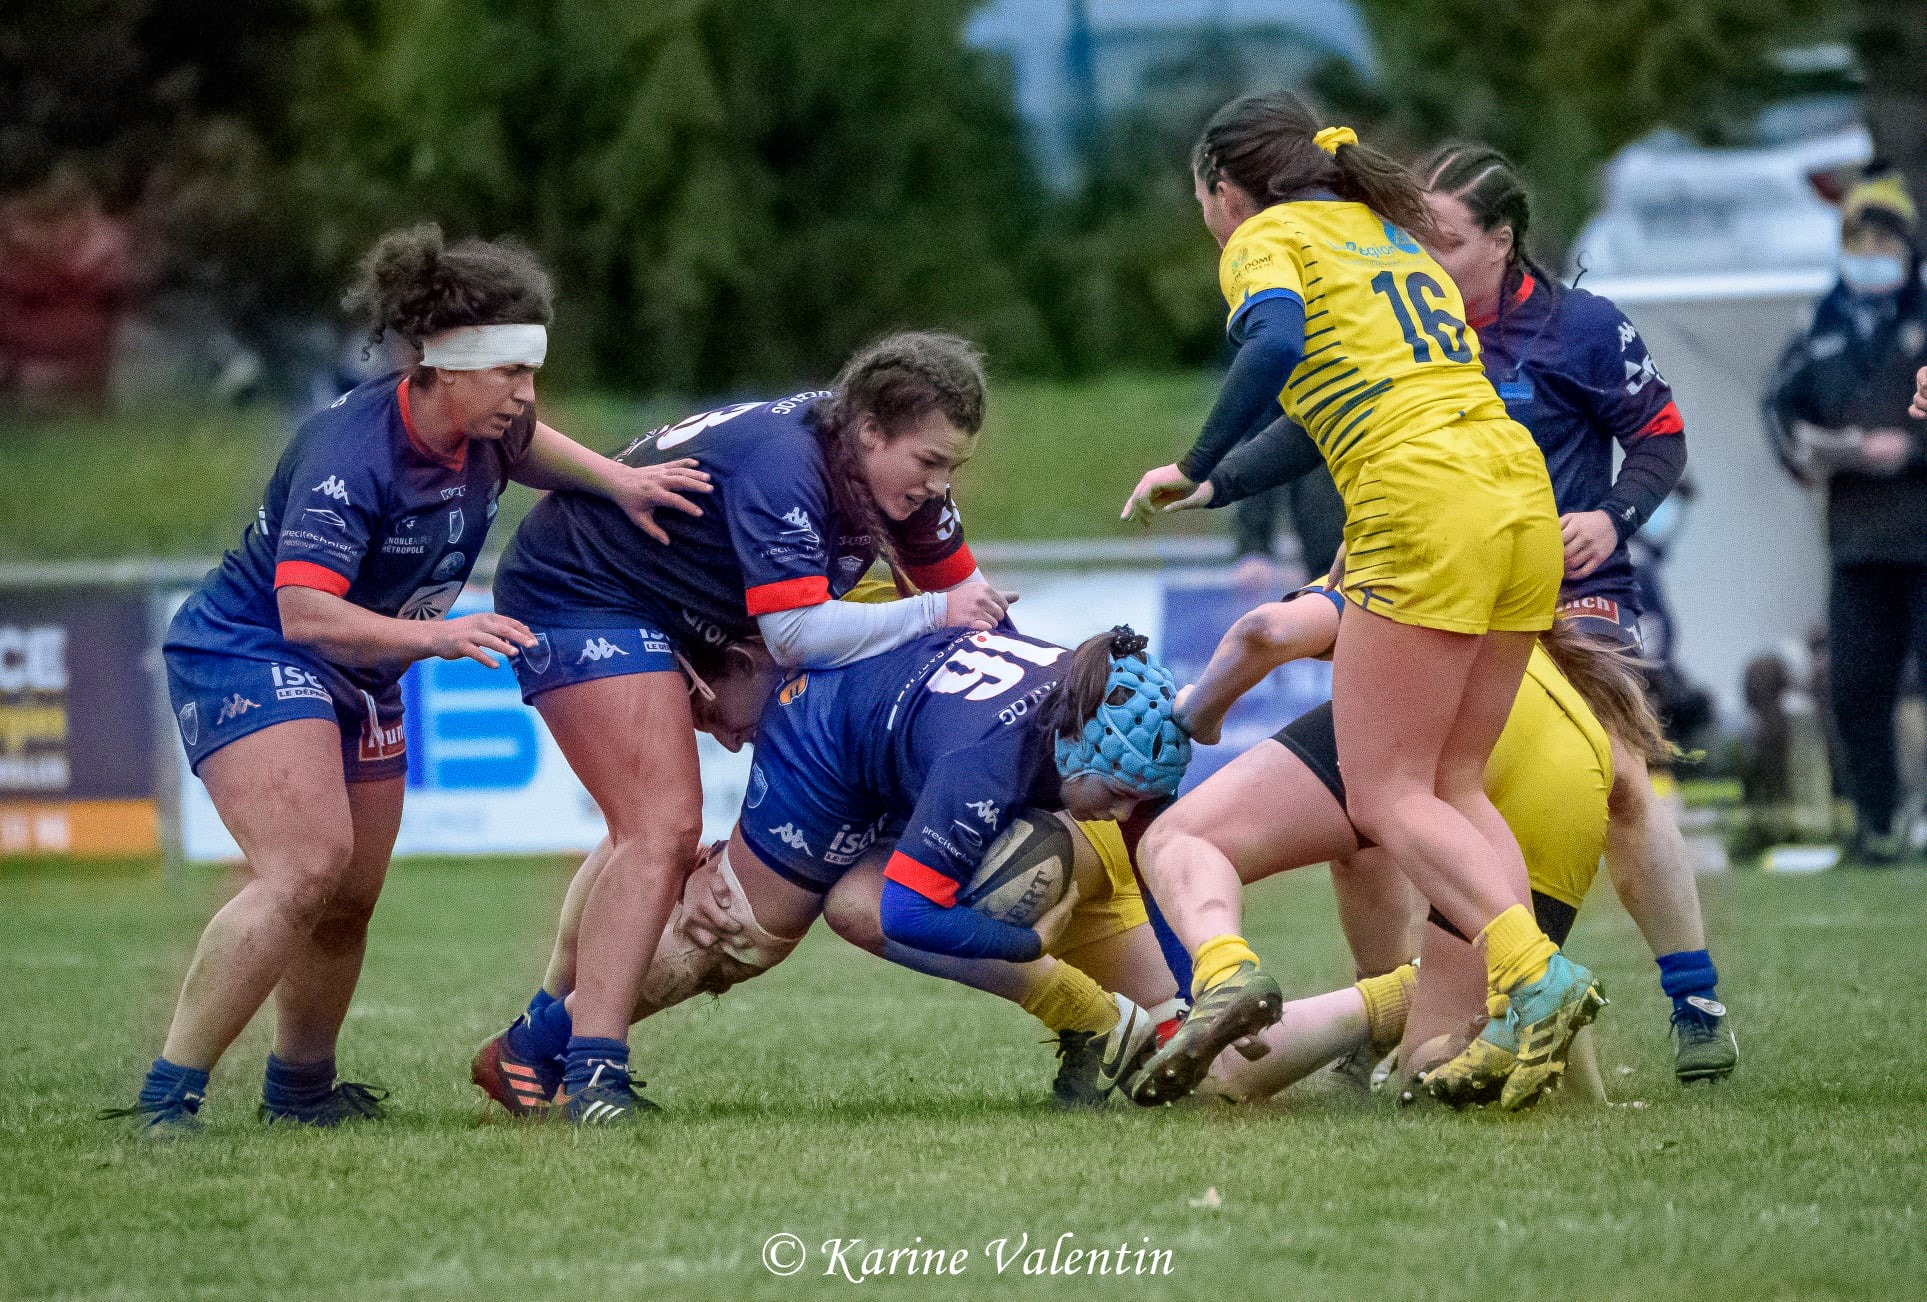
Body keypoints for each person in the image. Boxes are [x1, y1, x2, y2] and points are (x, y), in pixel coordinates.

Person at [101, 224, 711, 1134]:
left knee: (349, 899)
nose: (526, 394)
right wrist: (437, 638)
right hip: (256, 650)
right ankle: (167, 1097)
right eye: (511, 372)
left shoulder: (489, 429)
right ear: (444, 365)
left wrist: (619, 484)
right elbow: (304, 613)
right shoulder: (351, 455)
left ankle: (301, 1092)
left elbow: (533, 446)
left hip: (364, 668)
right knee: (305, 867)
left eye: (531, 371)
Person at [1164, 144, 1737, 1083]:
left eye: (1446, 240)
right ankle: (1429, 1003)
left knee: (1591, 784)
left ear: (1502, 241)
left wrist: (1610, 513)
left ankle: (1691, 998)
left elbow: (1661, 437)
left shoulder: (1576, 328)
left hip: (1533, 575)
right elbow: (1313, 425)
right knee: (1418, 798)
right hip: (1469, 562)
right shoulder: (1404, 316)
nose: (1422, 254)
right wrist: (1224, 481)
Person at [1118, 92, 1595, 1110]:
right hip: (1515, 488)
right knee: (1456, 782)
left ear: (1221, 187)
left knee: (1385, 796)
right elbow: (1324, 401)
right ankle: (1519, 1001)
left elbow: (1275, 345)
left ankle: (1534, 974)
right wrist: (1218, 484)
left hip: (1419, 501)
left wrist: (1196, 453)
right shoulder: (1381, 236)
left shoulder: (1264, 239)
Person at [475, 334, 1017, 1123]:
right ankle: (591, 1074)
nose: (937, 486)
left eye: (952, 470)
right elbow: (799, 635)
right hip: (580, 593)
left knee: (658, 828)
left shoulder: (883, 477)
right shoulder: (783, 465)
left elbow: (977, 622)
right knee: (659, 828)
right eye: (928, 461)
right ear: (869, 430)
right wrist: (934, 611)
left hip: (678, 605)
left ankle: (537, 1040)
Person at [471, 623, 1193, 1114]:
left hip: (895, 748)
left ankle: (1126, 1019)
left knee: (833, 903)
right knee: (736, 929)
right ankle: (538, 1044)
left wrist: (1197, 981)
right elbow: (907, 911)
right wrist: (1030, 942)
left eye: (704, 710)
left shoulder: (1103, 725)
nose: (721, 739)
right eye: (1119, 796)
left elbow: (1156, 840)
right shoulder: (1010, 751)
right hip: (834, 747)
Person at [1134, 579, 1667, 1107]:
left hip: (1436, 712)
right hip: (1566, 759)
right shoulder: (1507, 539)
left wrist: (1199, 708)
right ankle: (1489, 1015)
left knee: (1180, 837)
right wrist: (1691, 990)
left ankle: (1231, 975)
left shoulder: (1393, 527)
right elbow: (1634, 806)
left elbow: (1267, 631)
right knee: (1432, 1064)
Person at [1768, 167, 1927, 865]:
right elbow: (1778, 405)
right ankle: (1876, 821)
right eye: (1856, 240)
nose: (1869, 253)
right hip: (1857, 539)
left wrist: (1910, 445)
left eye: (1882, 240)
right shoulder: (1821, 321)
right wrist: (1812, 453)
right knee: (1856, 685)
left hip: (1921, 529)